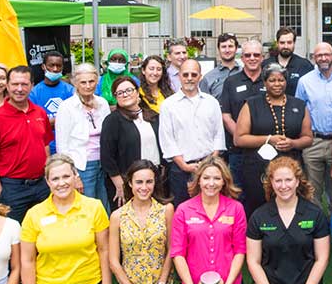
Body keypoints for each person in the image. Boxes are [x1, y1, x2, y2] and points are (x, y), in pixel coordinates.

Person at [21, 154, 113, 284]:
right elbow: (26, 261)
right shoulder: (34, 215)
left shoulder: (94, 207)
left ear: (75, 176)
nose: (61, 183)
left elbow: (104, 250)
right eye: (55, 179)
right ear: (47, 182)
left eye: (66, 176)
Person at [246, 157, 330, 284]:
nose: (284, 186)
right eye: (278, 181)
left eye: (288, 180)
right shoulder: (259, 216)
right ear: (271, 183)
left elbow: (322, 258)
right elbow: (253, 261)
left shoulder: (314, 214)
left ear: (297, 181)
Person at [170, 156, 247, 284]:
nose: (211, 183)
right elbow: (177, 253)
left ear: (224, 181)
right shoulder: (184, 210)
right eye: (206, 178)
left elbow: (240, 250)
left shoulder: (235, 208)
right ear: (198, 181)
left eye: (216, 178)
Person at [108, 160, 175, 284]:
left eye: (149, 182)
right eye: (139, 182)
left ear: (155, 183)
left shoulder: (166, 210)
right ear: (129, 183)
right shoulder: (117, 216)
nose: (144, 187)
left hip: (161, 282)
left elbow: (171, 250)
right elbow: (113, 260)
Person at [233, 63, 312, 217]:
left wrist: (293, 143)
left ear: (286, 82)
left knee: (290, 208)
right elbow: (239, 139)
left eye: (281, 80)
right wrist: (269, 139)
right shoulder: (252, 104)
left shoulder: (299, 105)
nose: (277, 84)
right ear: (265, 82)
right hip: (257, 168)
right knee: (258, 208)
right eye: (272, 80)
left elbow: (308, 138)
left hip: (291, 166)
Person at [0, 66, 53, 223]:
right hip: (12, 188)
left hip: (41, 185)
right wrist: (0, 193)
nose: (19, 89)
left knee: (45, 232)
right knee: (14, 237)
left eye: (24, 84)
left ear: (32, 85)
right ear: (7, 85)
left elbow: (45, 145)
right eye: (15, 84)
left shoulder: (40, 113)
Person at [295, 41, 332, 209]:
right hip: (313, 142)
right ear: (314, 58)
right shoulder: (304, 82)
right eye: (319, 55)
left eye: (326, 54)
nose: (323, 58)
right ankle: (316, 230)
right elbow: (299, 111)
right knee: (312, 190)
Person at [159, 59, 226, 206]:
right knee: (182, 210)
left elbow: (218, 135)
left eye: (194, 74)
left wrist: (209, 163)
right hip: (180, 170)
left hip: (209, 168)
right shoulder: (168, 105)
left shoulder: (211, 102)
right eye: (186, 74)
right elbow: (167, 139)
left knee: (210, 207)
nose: (189, 78)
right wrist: (183, 165)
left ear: (200, 76)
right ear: (179, 76)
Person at [54, 63, 111, 211]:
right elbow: (62, 147)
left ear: (97, 81)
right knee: (86, 210)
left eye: (91, 81)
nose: (87, 86)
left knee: (104, 208)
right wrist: (74, 175)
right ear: (75, 83)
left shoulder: (102, 103)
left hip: (103, 164)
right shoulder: (67, 107)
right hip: (82, 166)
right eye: (83, 82)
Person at [102, 77, 162, 209]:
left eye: (129, 90)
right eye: (120, 92)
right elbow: (107, 156)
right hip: (128, 183)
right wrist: (120, 184)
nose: (125, 94)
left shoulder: (153, 116)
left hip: (155, 179)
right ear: (116, 97)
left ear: (137, 92)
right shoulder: (112, 121)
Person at [219, 38, 266, 181]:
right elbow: (226, 115)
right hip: (238, 151)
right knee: (238, 192)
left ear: (262, 58)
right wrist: (242, 137)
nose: (252, 58)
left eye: (256, 55)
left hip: (266, 147)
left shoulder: (271, 81)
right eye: (248, 55)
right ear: (242, 58)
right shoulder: (231, 82)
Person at [29, 51, 74, 154]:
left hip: (67, 147)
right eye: (51, 65)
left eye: (58, 66)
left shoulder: (70, 90)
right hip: (44, 147)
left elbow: (75, 119)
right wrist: (58, 121)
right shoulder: (34, 93)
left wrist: (51, 122)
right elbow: (33, 124)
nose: (55, 69)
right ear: (43, 67)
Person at [266, 26, 313, 95]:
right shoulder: (266, 65)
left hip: (297, 105)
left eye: (289, 42)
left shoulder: (305, 65)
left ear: (294, 43)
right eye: (282, 43)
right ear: (277, 43)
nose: (286, 46)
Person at [200, 33, 242, 99]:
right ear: (219, 49)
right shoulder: (208, 78)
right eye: (223, 47)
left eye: (230, 46)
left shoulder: (244, 73)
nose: (227, 50)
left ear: (236, 48)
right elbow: (203, 104)